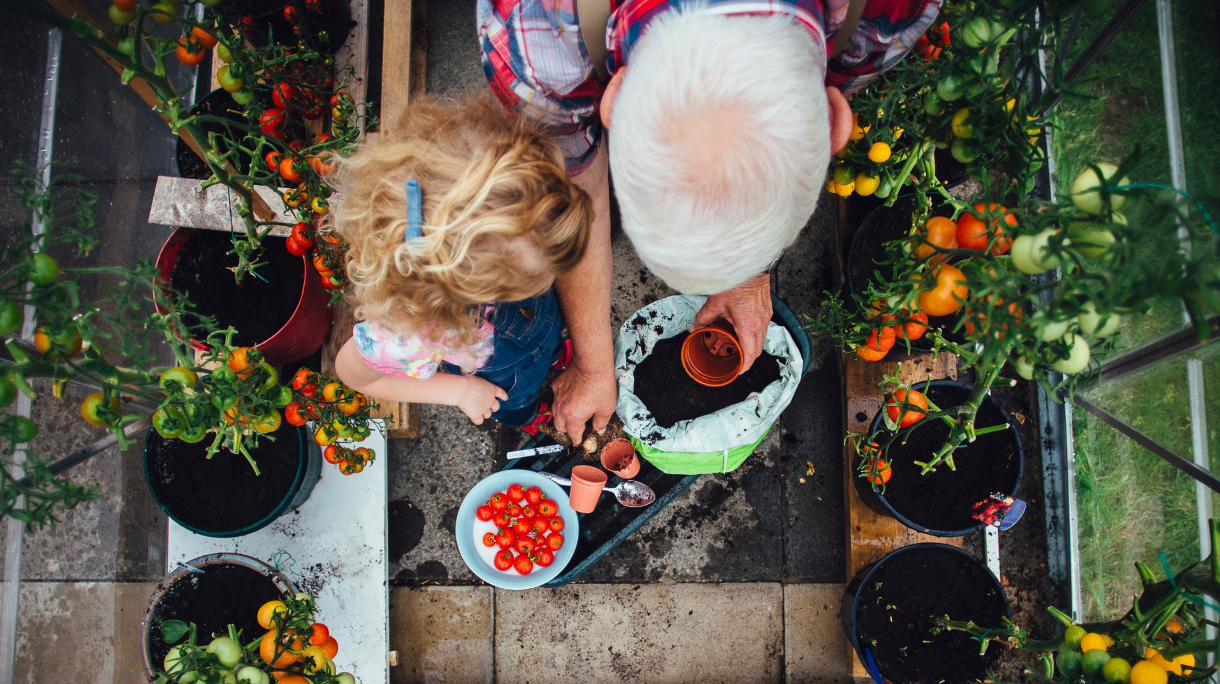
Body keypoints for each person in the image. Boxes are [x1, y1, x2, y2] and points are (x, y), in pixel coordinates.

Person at [478, 0, 943, 443]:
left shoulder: (888, 16)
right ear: (834, 121)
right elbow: (576, 191)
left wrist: (749, 277)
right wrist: (596, 364)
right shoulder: (537, 43)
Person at [331, 95, 593, 430]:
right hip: (501, 375)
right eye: (535, 275)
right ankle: (527, 413)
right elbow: (355, 375)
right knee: (515, 402)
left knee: (547, 332)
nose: (552, 276)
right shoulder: (408, 332)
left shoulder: (506, 227)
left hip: (535, 326)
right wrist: (461, 390)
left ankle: (552, 352)